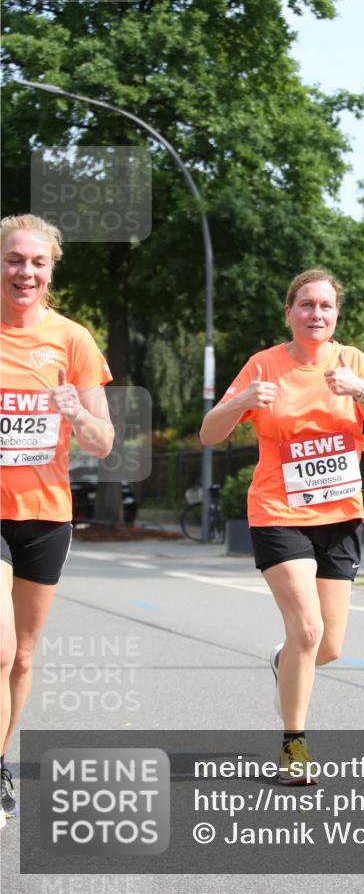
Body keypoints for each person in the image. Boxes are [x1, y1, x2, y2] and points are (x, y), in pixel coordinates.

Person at [200, 268, 364, 783]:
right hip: (278, 513)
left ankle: (283, 658)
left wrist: (363, 393)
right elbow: (209, 432)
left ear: (337, 315)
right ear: (288, 313)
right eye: (306, 305)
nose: (316, 314)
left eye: (326, 306)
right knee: (308, 629)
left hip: (340, 516)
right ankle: (293, 747)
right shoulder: (264, 365)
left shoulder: (354, 363)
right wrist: (242, 400)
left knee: (326, 645)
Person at [0, 214, 114, 824]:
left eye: (37, 262)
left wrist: (76, 413)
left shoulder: (73, 340)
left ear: (51, 270)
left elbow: (103, 443)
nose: (26, 271)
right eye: (15, 259)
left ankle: (0, 763)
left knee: (21, 655)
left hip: (45, 514)